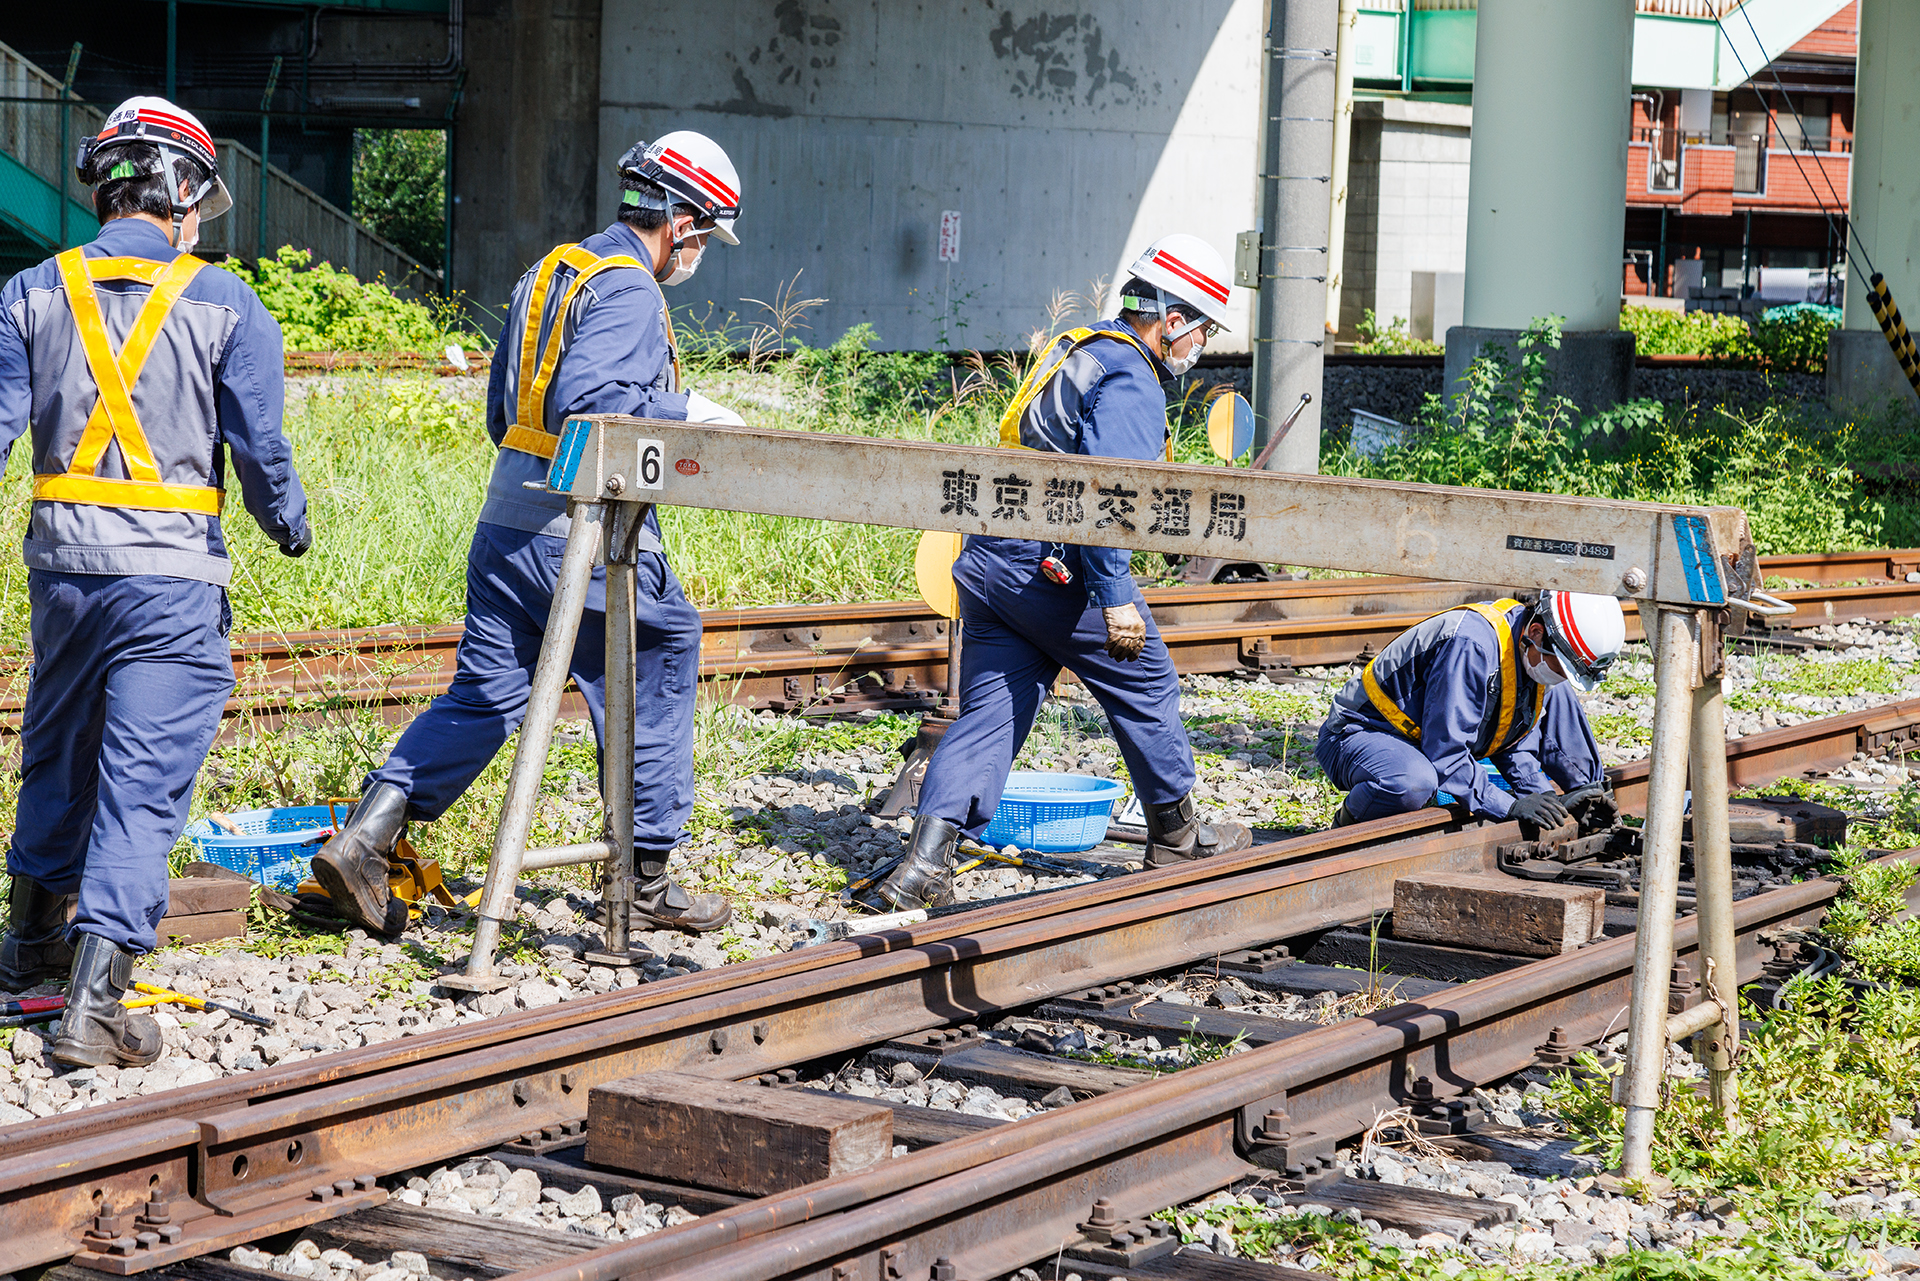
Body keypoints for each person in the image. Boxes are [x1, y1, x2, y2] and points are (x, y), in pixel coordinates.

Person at [311, 132, 742, 938]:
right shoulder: (631, 291)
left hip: (504, 521)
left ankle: (366, 836)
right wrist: (688, 412)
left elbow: (502, 416)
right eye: (706, 236)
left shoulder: (550, 272)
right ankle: (645, 879)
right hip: (574, 532)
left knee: (486, 691)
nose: (700, 254)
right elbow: (590, 403)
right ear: (683, 222)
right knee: (663, 649)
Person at [0, 98, 312, 1066]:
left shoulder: (31, 292)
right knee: (141, 782)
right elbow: (261, 454)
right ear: (180, 191)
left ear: (106, 184)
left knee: (60, 748)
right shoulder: (226, 304)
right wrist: (290, 528)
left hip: (63, 579)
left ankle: (28, 949)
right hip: (169, 585)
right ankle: (94, 1009)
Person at [879, 234, 1254, 910]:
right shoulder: (1132, 378)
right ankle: (1177, 836)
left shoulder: (1082, 350)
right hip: (1051, 566)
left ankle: (923, 864)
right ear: (1172, 320)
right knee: (1147, 680)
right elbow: (1110, 496)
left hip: (991, 559)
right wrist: (1114, 596)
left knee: (991, 712)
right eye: (1203, 330)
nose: (1201, 346)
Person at [1314, 591, 1626, 829]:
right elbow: (1446, 752)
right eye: (1562, 667)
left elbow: (1509, 741)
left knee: (1558, 694)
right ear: (1536, 633)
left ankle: (1588, 789)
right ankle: (1344, 828)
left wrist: (1542, 797)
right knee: (1413, 781)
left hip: (1420, 738)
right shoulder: (1471, 646)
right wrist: (1508, 807)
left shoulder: (1524, 650)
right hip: (1359, 733)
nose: (1561, 677)